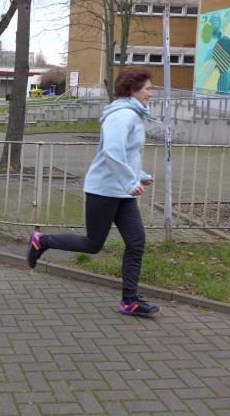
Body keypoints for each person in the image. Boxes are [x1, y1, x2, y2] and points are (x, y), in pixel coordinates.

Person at [27, 66, 161, 318]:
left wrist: (138, 175)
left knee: (136, 242)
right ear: (133, 89)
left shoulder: (132, 114)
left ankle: (129, 301)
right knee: (93, 244)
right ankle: (41, 241)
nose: (151, 93)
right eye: (147, 89)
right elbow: (112, 152)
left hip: (122, 193)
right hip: (104, 190)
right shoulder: (121, 116)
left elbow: (127, 154)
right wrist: (129, 182)